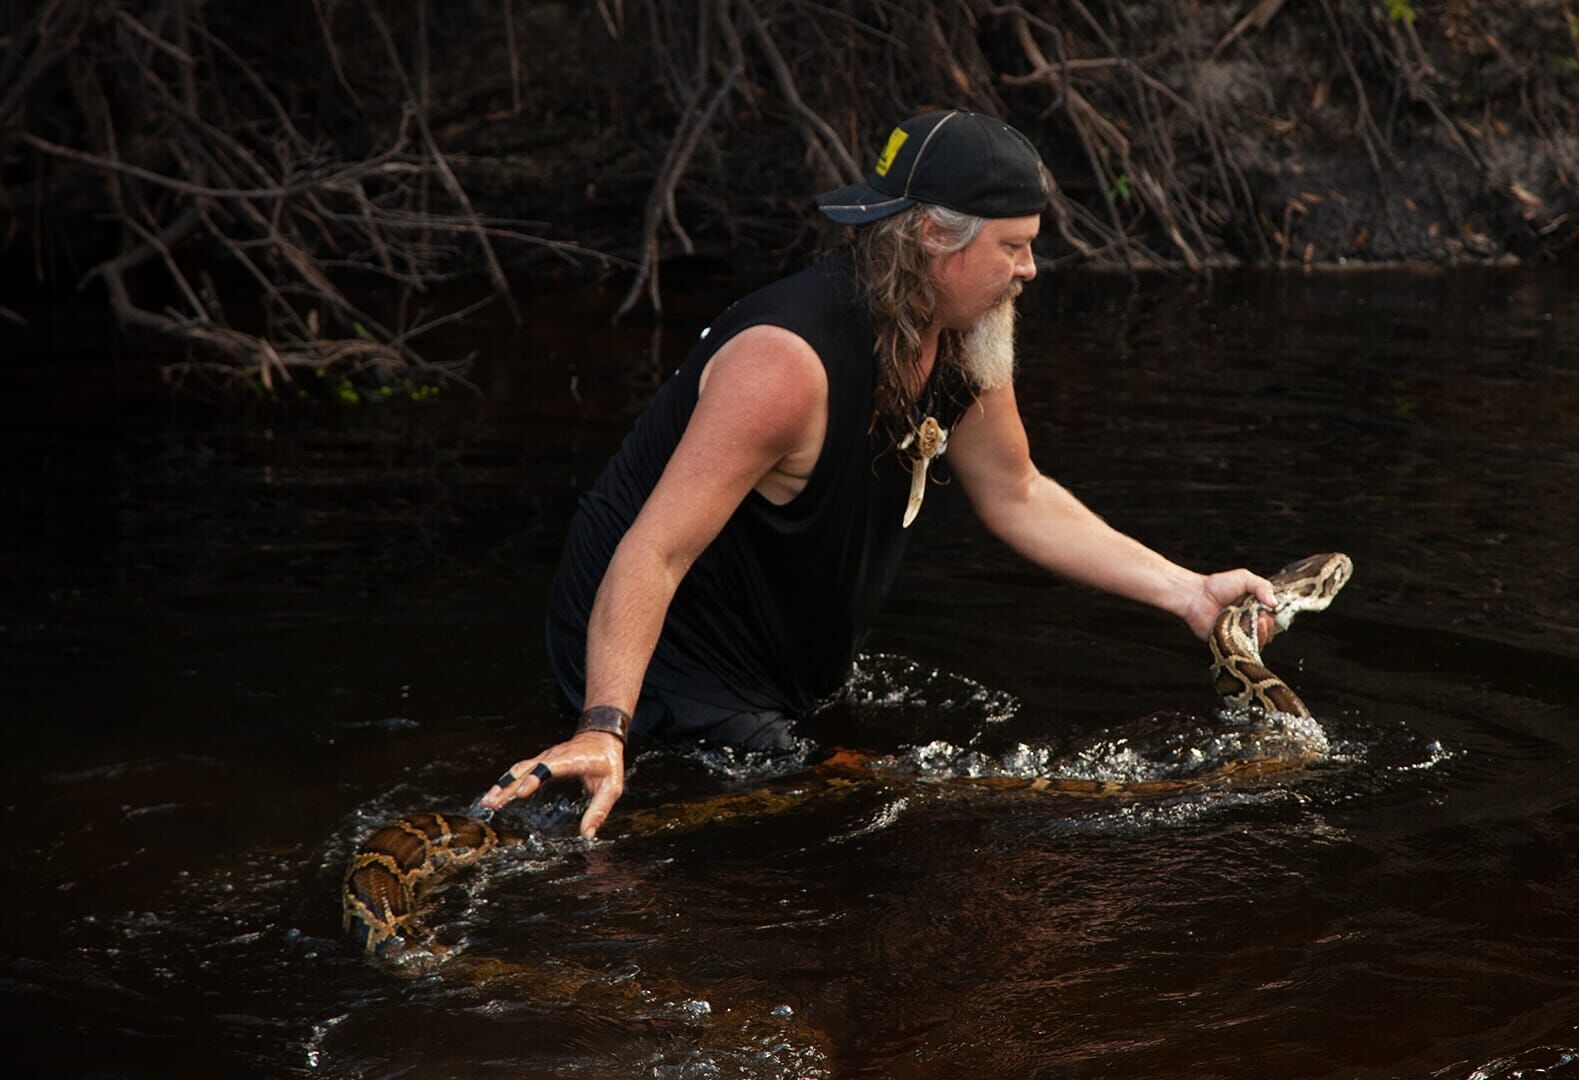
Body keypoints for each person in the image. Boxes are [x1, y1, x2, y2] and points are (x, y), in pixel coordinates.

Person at [481, 109, 1279, 837]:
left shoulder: (965, 332)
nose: (1032, 269)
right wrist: (602, 727)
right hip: (670, 662)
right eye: (1013, 246)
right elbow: (653, 550)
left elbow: (1019, 492)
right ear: (934, 235)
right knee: (866, 811)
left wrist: (1188, 591)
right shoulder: (786, 363)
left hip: (781, 663)